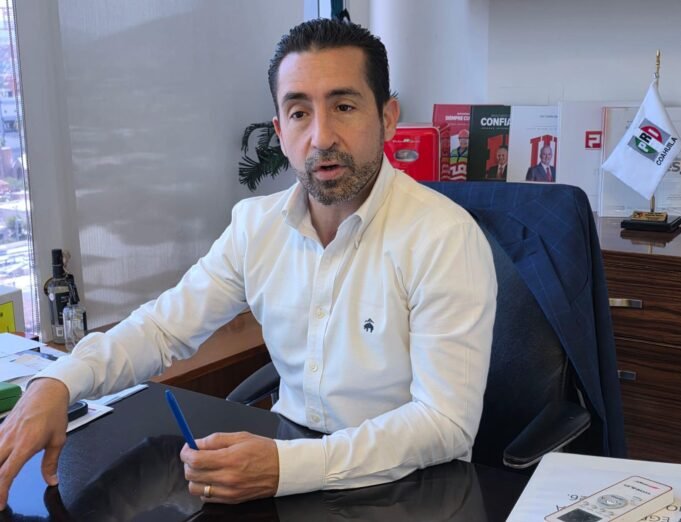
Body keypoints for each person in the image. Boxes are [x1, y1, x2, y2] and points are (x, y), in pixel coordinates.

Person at [0, 19, 496, 508]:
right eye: (299, 113)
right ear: (280, 130)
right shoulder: (256, 226)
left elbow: (444, 423)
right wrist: (60, 382)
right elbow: (162, 330)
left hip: (413, 490)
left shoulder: (444, 238)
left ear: (388, 118)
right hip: (290, 473)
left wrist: (288, 466)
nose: (321, 136)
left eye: (344, 106)